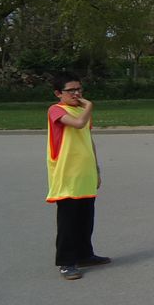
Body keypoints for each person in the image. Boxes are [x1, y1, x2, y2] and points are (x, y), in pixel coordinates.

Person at [45, 73, 111, 281]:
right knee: (68, 221)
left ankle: (84, 255)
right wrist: (89, 106)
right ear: (58, 93)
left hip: (85, 173)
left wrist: (96, 169)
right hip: (67, 174)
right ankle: (66, 262)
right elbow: (78, 124)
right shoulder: (56, 110)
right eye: (71, 90)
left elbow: (88, 139)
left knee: (85, 218)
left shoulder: (82, 111)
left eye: (79, 89)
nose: (77, 93)